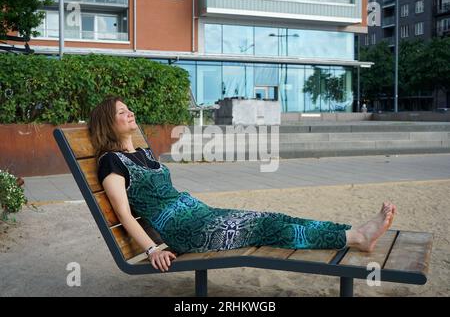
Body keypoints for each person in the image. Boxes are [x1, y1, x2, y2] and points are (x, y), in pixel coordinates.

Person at [88, 95, 397, 272]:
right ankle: (356, 236)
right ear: (108, 122)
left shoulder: (142, 151)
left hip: (200, 215)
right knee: (266, 226)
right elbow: (125, 213)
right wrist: (153, 249)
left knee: (271, 219)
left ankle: (353, 234)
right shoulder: (111, 162)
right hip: (189, 232)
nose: (130, 113)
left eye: (129, 108)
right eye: (121, 112)